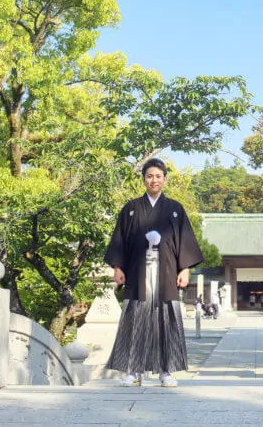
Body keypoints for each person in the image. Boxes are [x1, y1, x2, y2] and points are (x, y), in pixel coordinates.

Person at [104, 158, 204, 387]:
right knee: (135, 319)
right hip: (138, 272)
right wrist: (118, 268)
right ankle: (133, 371)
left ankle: (166, 371)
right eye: (150, 176)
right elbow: (120, 239)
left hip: (166, 272)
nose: (154, 180)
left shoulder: (175, 209)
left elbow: (184, 241)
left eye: (158, 176)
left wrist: (185, 269)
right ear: (143, 179)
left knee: (166, 320)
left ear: (165, 179)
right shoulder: (131, 209)